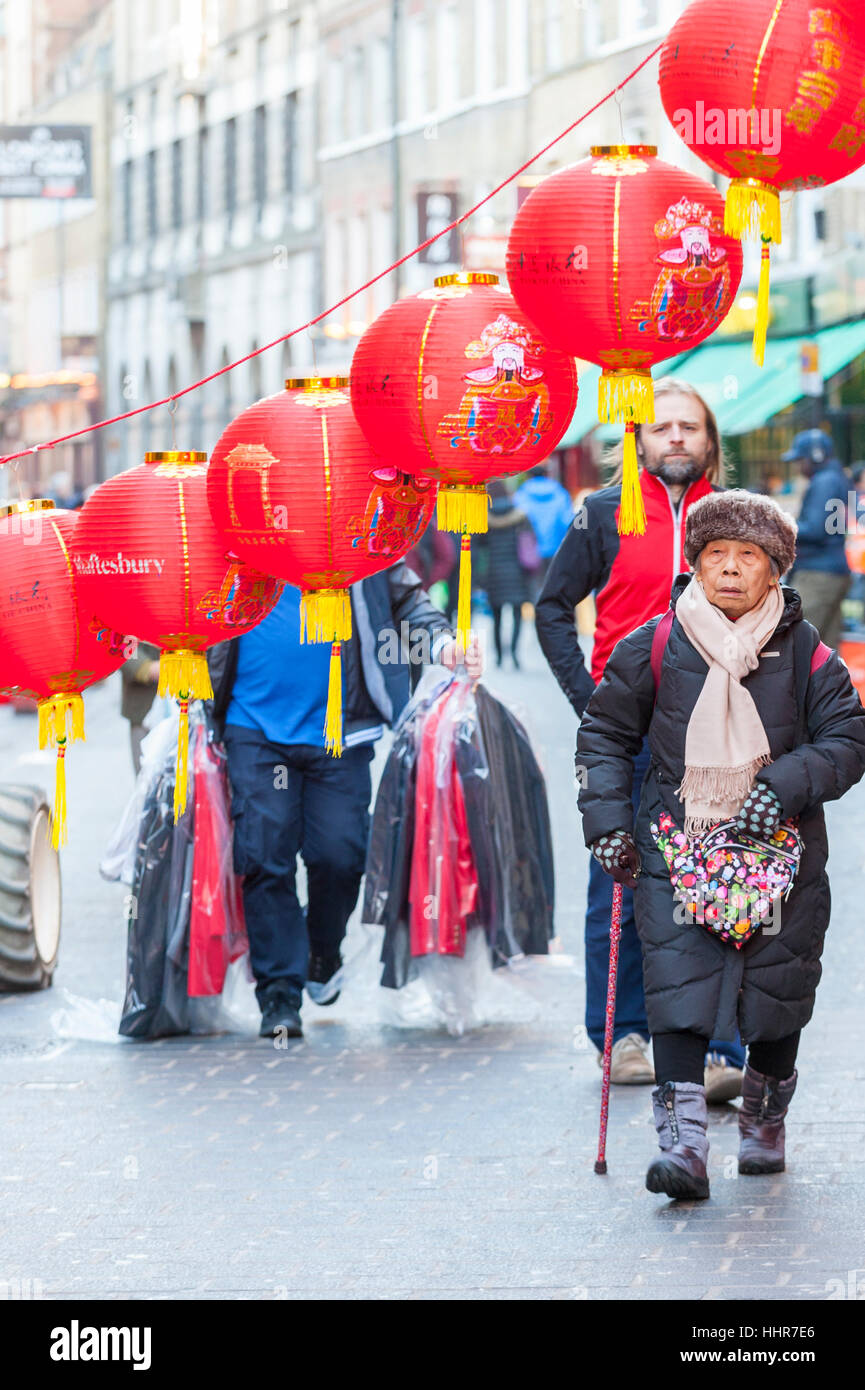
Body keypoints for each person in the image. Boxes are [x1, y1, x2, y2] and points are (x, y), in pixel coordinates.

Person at [577, 491, 865, 1200]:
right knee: (678, 982)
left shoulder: (810, 656)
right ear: (695, 564)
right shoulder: (651, 645)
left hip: (781, 849)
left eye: (747, 557)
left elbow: (847, 740)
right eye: (715, 556)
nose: (729, 570)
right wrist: (608, 823)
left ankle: (764, 1122)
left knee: (777, 988)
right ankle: (684, 1147)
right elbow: (605, 738)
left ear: (774, 571)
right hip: (676, 843)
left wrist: (786, 782)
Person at [535, 378, 746, 1097]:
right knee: (617, 884)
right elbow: (551, 608)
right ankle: (622, 1037)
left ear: (710, 441)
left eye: (690, 427)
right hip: (625, 737)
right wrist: (587, 700)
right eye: (662, 427)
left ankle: (721, 1048)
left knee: (722, 887)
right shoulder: (600, 515)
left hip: (721, 736)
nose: (677, 437)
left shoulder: (741, 521)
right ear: (637, 440)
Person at [208, 562, 483, 1040]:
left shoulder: (356, 524)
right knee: (264, 854)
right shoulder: (240, 522)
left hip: (341, 728)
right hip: (253, 727)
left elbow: (405, 598)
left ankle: (322, 949)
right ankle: (279, 991)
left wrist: (442, 643)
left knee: (340, 854)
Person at [783, 429, 851, 649]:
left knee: (797, 644)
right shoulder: (836, 477)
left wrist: (778, 522)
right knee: (827, 651)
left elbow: (815, 529)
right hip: (832, 571)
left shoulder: (824, 481)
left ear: (815, 456)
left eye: (801, 459)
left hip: (818, 574)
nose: (798, 466)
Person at [476, 479, 530, 668]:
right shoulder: (520, 516)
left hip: (494, 572)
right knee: (517, 614)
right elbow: (530, 543)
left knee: (497, 616)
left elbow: (478, 546)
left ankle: (499, 656)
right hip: (517, 572)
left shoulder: (485, 518)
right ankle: (514, 653)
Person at [514, 465, 574, 599]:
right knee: (556, 583)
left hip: (531, 550)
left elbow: (519, 521)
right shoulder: (560, 492)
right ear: (547, 474)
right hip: (557, 546)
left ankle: (538, 614)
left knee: (536, 586)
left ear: (529, 475)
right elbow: (567, 520)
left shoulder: (522, 494)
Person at [121, 642, 160, 773]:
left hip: (189, 706)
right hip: (143, 704)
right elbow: (118, 640)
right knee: (146, 778)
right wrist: (146, 668)